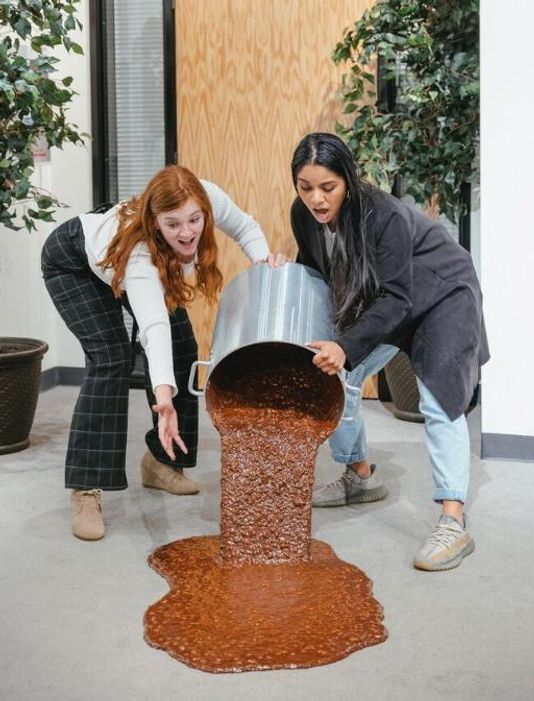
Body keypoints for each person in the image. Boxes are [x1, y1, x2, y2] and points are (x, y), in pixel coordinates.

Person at [41, 165, 285, 541]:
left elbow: (246, 227)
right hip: (73, 262)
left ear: (203, 208)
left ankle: (160, 462)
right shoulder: (140, 256)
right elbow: (153, 328)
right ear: (155, 222)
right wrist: (163, 400)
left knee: (185, 351)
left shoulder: (206, 196)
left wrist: (264, 264)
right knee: (111, 357)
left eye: (194, 220)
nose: (187, 233)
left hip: (118, 258)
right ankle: (86, 489)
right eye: (173, 224)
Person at [289, 132, 489, 572]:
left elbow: (400, 298)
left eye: (328, 188)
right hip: (382, 298)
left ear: (348, 180)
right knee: (332, 375)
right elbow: (313, 272)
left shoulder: (384, 215)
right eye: (306, 188)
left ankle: (453, 522)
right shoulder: (303, 217)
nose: (317, 199)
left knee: (439, 401)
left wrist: (346, 345)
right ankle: (359, 476)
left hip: (440, 294)